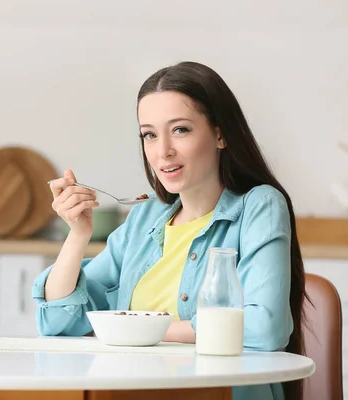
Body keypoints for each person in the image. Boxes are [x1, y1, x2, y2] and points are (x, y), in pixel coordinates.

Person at [32, 61, 308, 400]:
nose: (162, 151)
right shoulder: (145, 218)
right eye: (149, 134)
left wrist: (145, 328)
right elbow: (61, 323)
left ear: (220, 133)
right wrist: (77, 235)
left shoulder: (259, 206)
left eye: (180, 130)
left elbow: (265, 328)